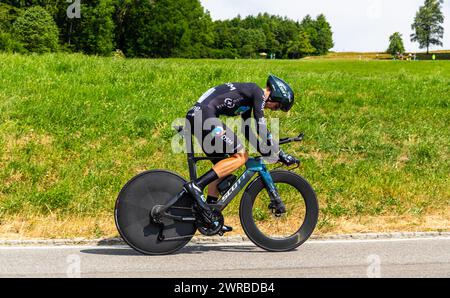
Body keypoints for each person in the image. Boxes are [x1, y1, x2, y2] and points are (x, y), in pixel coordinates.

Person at [184, 75, 299, 229]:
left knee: (223, 168)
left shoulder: (249, 100)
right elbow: (260, 126)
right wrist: (280, 152)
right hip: (204, 116)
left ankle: (209, 216)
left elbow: (248, 131)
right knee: (241, 156)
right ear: (274, 95)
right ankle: (197, 186)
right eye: (277, 106)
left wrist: (266, 151)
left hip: (199, 116)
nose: (274, 109)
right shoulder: (257, 92)